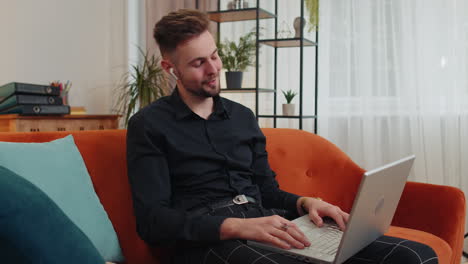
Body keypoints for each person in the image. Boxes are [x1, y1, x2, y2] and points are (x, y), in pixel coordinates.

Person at [126, 9, 438, 264]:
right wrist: (236, 226)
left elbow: (267, 191)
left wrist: (307, 202)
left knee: (416, 256)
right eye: (198, 63)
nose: (214, 68)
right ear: (171, 69)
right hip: (208, 239)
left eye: (215, 55)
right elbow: (153, 222)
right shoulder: (149, 125)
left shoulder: (242, 117)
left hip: (266, 221)